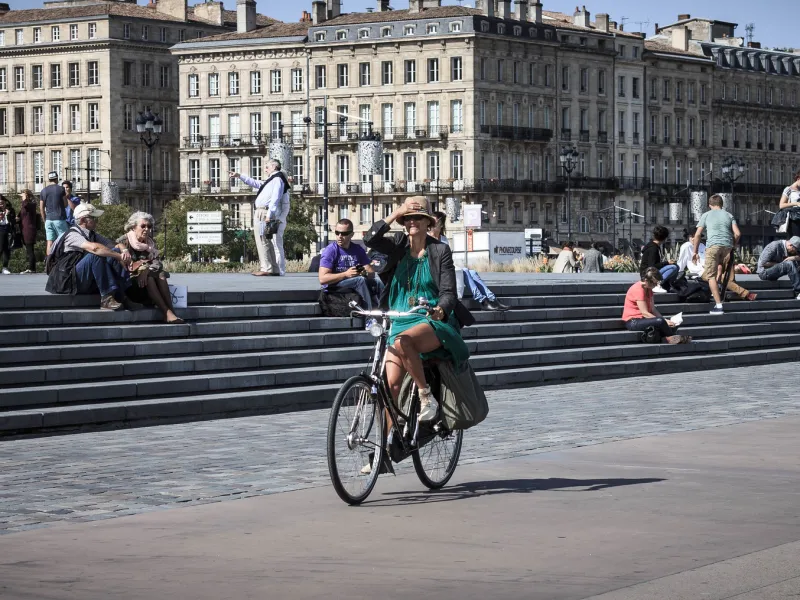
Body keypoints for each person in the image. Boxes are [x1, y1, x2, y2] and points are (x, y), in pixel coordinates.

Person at [364, 196, 474, 423]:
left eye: (417, 218)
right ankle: (384, 453)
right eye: (408, 219)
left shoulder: (440, 251)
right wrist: (397, 212)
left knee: (404, 342)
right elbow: (370, 238)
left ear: (428, 223)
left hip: (431, 320)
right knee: (390, 386)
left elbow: (448, 293)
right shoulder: (398, 245)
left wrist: (441, 310)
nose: (411, 222)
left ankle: (426, 396)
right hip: (400, 317)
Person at [45, 203, 136, 311]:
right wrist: (118, 256)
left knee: (112, 251)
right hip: (67, 281)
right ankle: (106, 299)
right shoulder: (72, 235)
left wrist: (123, 250)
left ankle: (123, 294)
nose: (96, 221)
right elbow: (95, 249)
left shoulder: (91, 234)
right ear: (83, 220)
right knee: (96, 255)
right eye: (93, 218)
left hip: (80, 277)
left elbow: (113, 245)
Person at [429, 211, 509, 311]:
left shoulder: (443, 239)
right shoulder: (429, 238)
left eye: (436, 221)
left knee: (472, 272)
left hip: (447, 268)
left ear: (440, 224)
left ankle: (493, 299)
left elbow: (448, 258)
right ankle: (483, 301)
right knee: (466, 271)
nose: (433, 223)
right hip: (438, 272)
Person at [115, 211, 184, 324]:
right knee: (150, 278)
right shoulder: (123, 241)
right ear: (133, 227)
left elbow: (158, 263)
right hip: (130, 284)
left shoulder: (151, 243)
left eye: (149, 226)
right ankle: (166, 312)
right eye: (143, 226)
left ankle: (171, 311)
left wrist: (147, 269)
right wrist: (143, 268)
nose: (147, 229)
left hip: (146, 283)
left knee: (160, 275)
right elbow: (121, 263)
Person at [693, 194, 757, 315]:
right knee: (726, 276)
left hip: (713, 246)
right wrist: (731, 244)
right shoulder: (729, 215)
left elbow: (697, 235)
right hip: (728, 248)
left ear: (709, 205)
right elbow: (737, 233)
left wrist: (695, 252)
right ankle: (737, 294)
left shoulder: (706, 215)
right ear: (722, 204)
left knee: (710, 276)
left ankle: (718, 306)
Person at [231, 159, 290, 276]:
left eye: (267, 166)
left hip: (263, 212)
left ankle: (266, 268)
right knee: (266, 241)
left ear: (274, 166)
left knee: (262, 240)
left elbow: (275, 198)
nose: (265, 169)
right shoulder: (272, 179)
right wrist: (239, 176)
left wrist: (269, 215)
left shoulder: (277, 179)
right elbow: (256, 183)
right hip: (263, 212)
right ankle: (274, 268)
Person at [318, 218, 384, 315]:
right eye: (337, 233)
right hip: (335, 286)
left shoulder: (357, 249)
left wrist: (362, 271)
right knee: (360, 280)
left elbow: (371, 274)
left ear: (351, 235)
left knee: (378, 282)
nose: (340, 236)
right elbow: (323, 279)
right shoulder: (330, 250)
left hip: (353, 283)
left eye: (344, 234)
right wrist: (346, 274)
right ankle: (369, 317)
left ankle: (387, 314)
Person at [622, 267, 691, 344]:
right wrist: (663, 321)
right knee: (660, 321)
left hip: (642, 319)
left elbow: (653, 309)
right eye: (653, 283)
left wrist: (665, 320)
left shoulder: (648, 290)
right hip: (633, 322)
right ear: (646, 280)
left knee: (665, 322)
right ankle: (672, 337)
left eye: (656, 283)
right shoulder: (638, 290)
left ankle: (669, 337)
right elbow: (645, 312)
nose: (655, 285)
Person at [639, 225, 678, 293]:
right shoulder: (653, 248)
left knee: (676, 266)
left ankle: (667, 285)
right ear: (665, 238)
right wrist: (667, 262)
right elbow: (652, 265)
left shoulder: (653, 246)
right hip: (647, 274)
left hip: (649, 272)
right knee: (673, 267)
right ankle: (656, 284)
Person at [39, 171, 68, 256]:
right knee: (64, 240)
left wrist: (44, 220)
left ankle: (49, 263)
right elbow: (65, 204)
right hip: (59, 219)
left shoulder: (43, 191)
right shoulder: (61, 189)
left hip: (48, 220)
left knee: (50, 242)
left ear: (49, 179)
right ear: (57, 178)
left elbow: (41, 208)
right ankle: (62, 261)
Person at [16, 189, 38, 273]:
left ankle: (32, 268)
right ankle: (32, 268)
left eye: (23, 195)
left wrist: (25, 198)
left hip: (29, 230)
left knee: (30, 250)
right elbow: (21, 215)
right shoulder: (25, 205)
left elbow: (26, 205)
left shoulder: (31, 204)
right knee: (29, 250)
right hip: (24, 230)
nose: (21, 197)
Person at [777, 170, 800, 237]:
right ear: (798, 179)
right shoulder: (789, 189)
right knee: (796, 240)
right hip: (794, 219)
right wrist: (796, 203)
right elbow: (781, 205)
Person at [0, 195, 15, 274]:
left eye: (2, 203)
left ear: (5, 203)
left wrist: (7, 215)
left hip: (8, 231)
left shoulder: (10, 210)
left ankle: (5, 267)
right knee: (1, 248)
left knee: (7, 249)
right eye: (0, 203)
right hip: (1, 230)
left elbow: (12, 222)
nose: (1, 205)